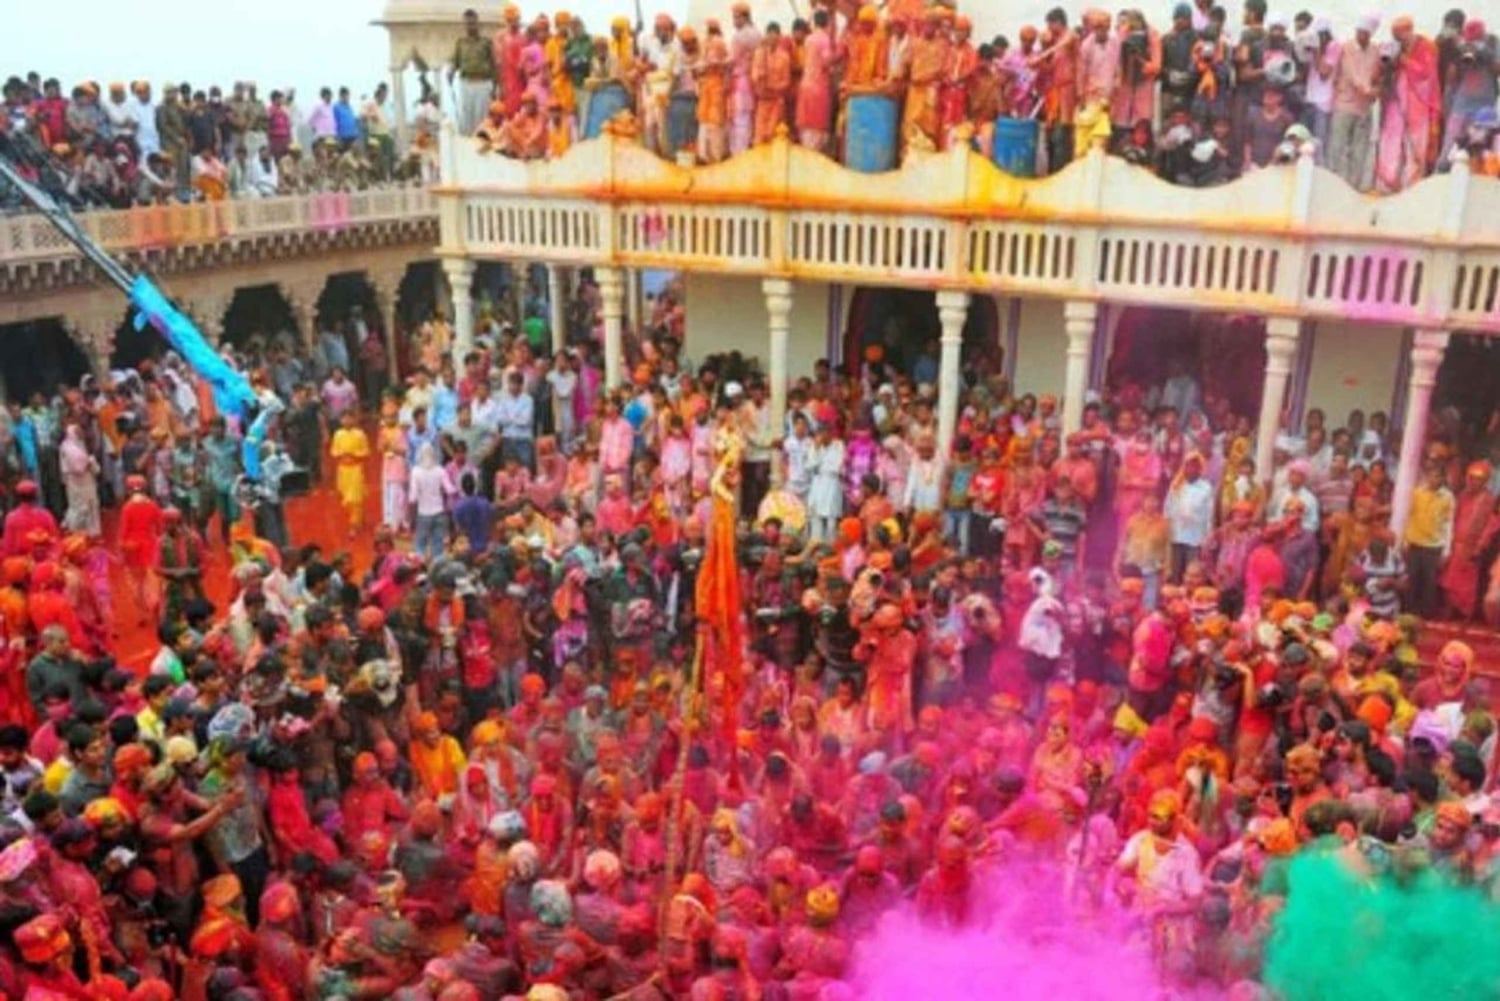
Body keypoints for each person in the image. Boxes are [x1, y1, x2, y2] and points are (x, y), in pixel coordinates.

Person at [331, 409, 371, 537]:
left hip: (356, 469)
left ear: (354, 419)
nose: (347, 421)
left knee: (355, 499)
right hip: (343, 470)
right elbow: (333, 451)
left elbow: (366, 451)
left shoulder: (360, 434)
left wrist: (354, 455)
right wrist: (342, 455)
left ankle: (353, 525)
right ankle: (359, 518)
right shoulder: (338, 434)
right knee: (346, 499)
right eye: (344, 418)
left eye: (349, 418)